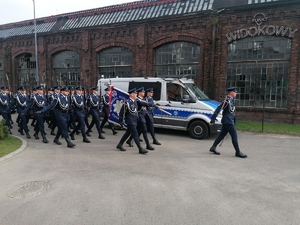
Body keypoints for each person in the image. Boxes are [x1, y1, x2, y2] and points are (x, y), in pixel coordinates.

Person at [209, 86, 247, 158]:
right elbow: (219, 108)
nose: (236, 93)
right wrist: (213, 118)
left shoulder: (231, 100)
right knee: (234, 136)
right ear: (232, 92)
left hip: (229, 121)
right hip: (228, 121)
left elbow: (232, 112)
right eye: (235, 92)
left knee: (222, 135)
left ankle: (213, 147)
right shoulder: (227, 101)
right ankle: (238, 152)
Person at [116, 88, 149, 154]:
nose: (136, 94)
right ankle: (140, 149)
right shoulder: (127, 102)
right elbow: (122, 113)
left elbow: (143, 104)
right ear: (131, 95)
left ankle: (120, 144)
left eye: (136, 93)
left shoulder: (135, 101)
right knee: (135, 134)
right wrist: (121, 121)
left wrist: (151, 104)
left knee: (127, 133)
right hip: (130, 121)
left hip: (135, 120)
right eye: (135, 93)